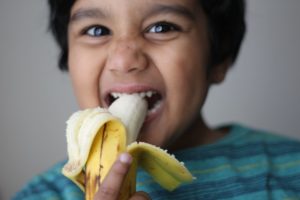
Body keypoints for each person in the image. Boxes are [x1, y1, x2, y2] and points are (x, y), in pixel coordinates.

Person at [13, 0, 300, 199]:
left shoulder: (291, 170)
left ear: (217, 59)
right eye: (97, 30)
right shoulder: (41, 195)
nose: (124, 60)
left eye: (162, 27)